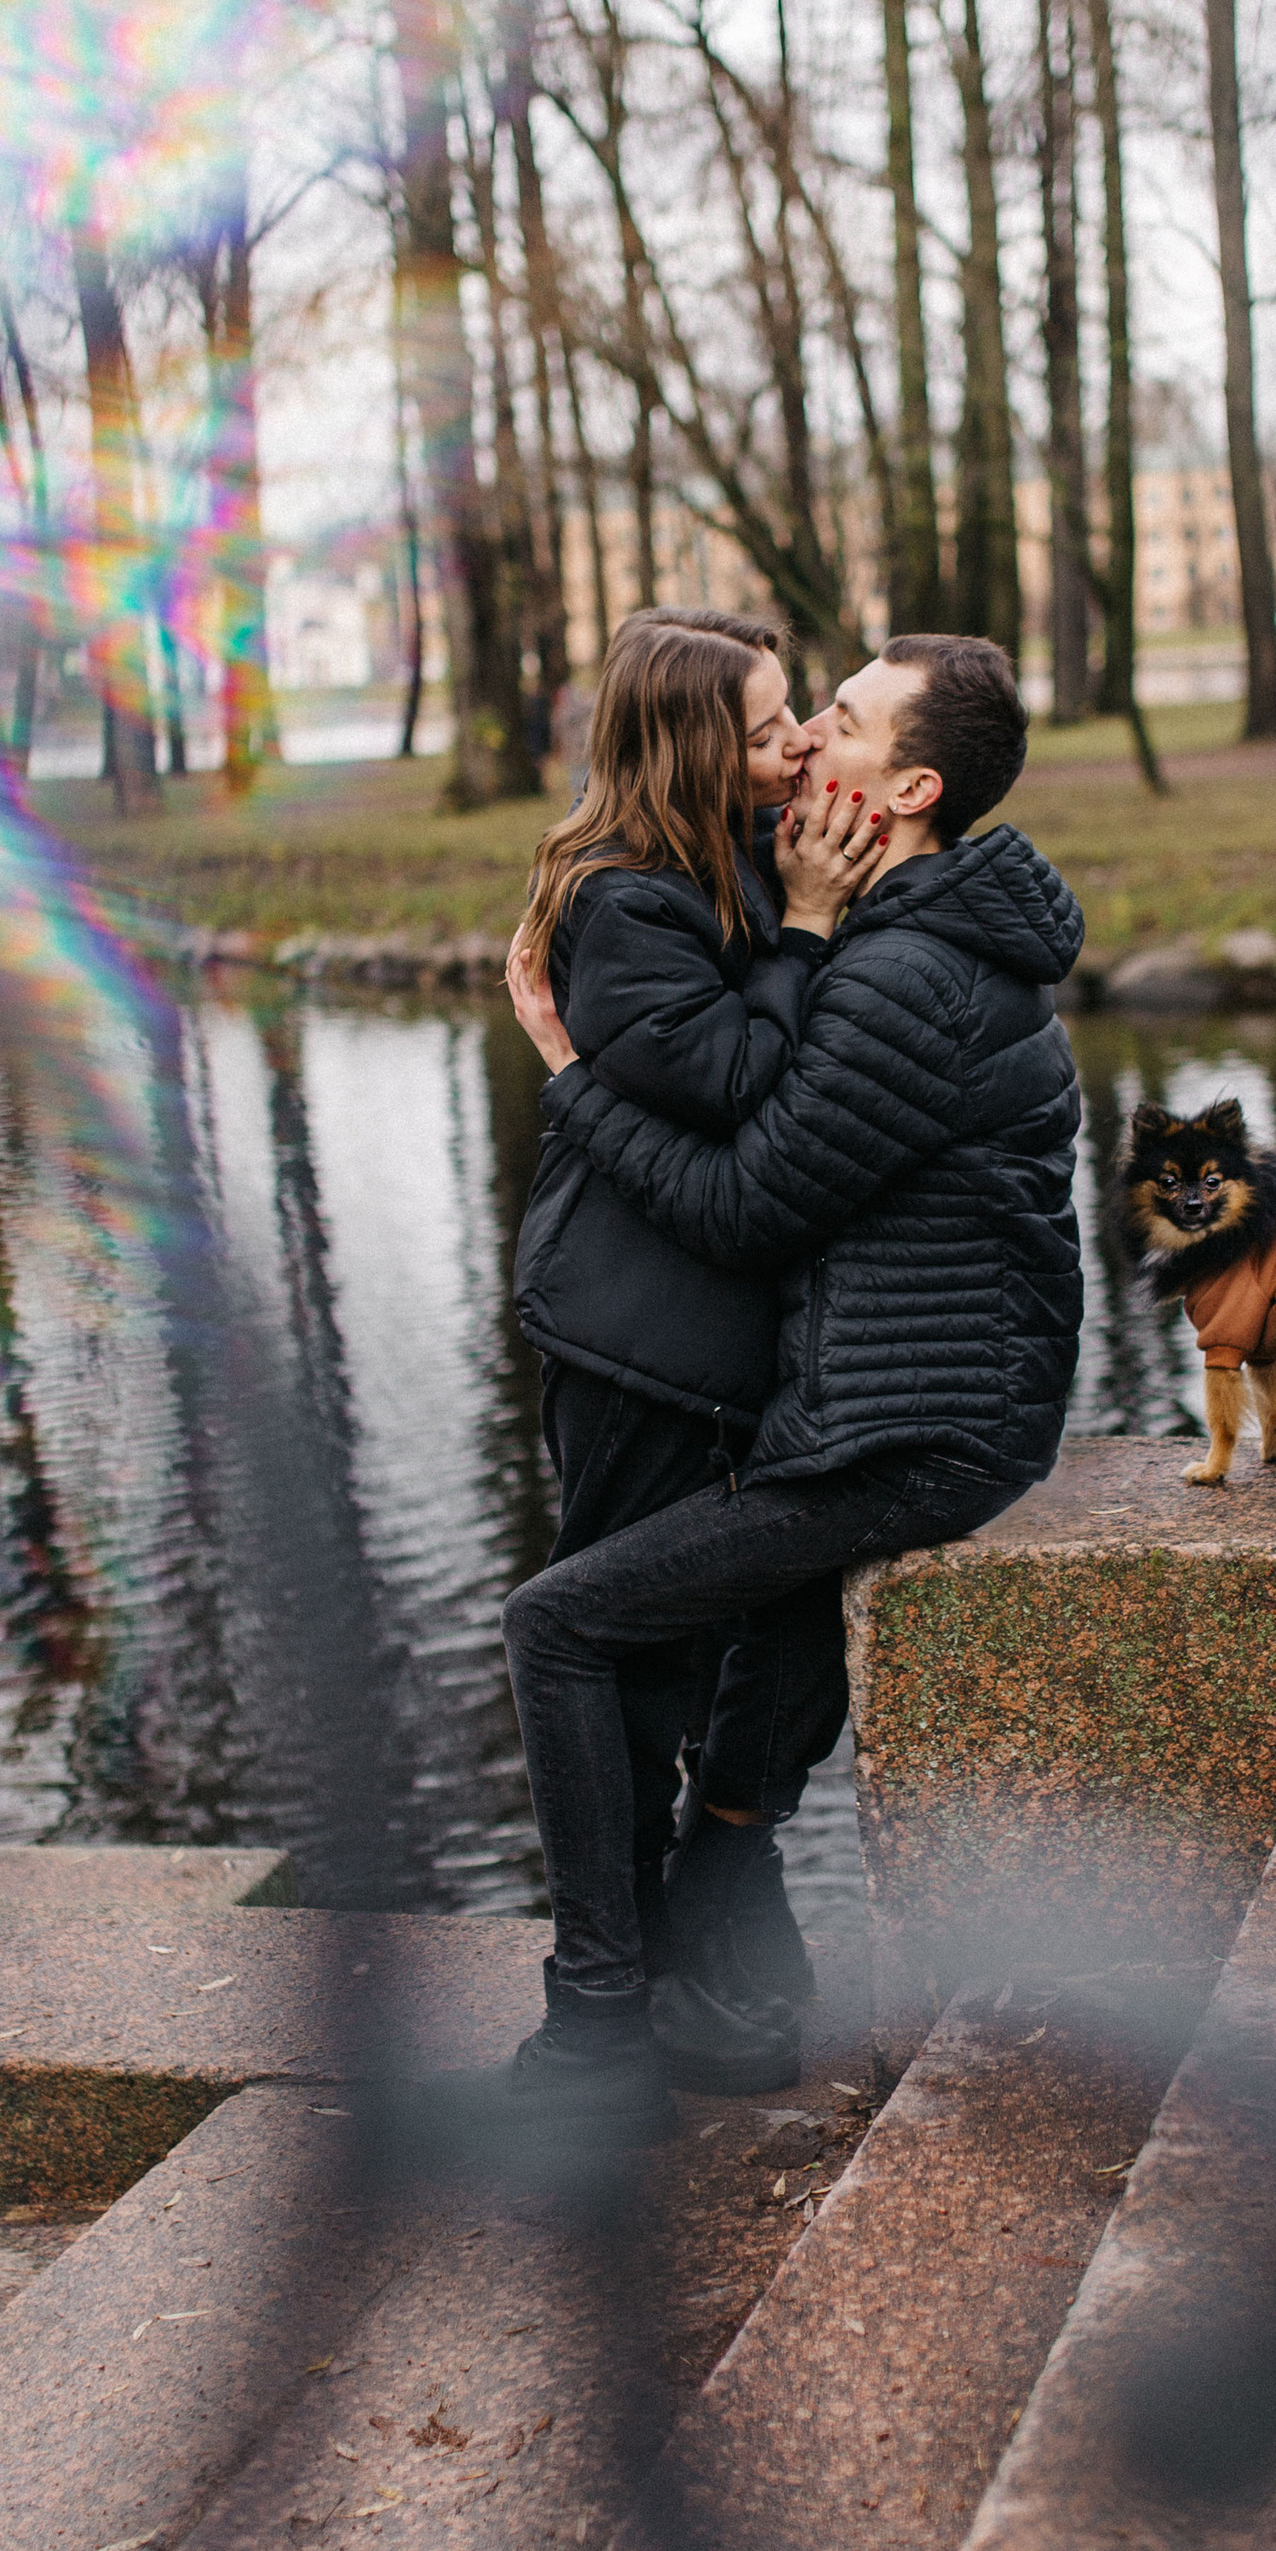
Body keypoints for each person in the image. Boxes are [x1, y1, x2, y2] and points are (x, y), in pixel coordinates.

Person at [492, 632, 1085, 2144]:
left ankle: (599, 2028)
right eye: (796, 716)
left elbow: (752, 1207)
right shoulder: (918, 920)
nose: (809, 736)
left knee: (559, 1620)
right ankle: (719, 1955)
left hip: (918, 1422)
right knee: (741, 1609)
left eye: (841, 719)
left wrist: (566, 1075)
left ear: (909, 786)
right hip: (908, 1389)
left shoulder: (901, 971)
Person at [506, 609, 889, 2095]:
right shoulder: (622, 905)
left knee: (746, 1654)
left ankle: (683, 1975)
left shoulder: (727, 852)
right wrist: (803, 928)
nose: (793, 745)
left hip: (731, 1346)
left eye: (799, 716)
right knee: (621, 1662)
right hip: (634, 1350)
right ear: (686, 747)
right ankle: (604, 2005)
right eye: (766, 726)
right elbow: (737, 1085)